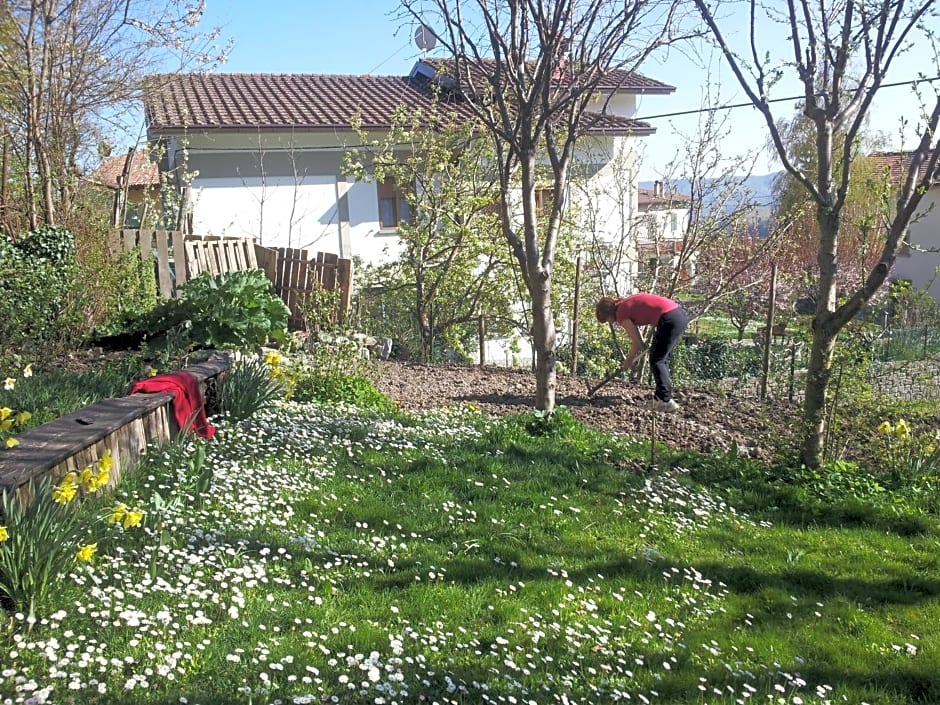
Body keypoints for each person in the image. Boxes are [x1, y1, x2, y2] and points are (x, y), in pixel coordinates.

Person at [595, 293, 688, 413]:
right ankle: (660, 398)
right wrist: (642, 344)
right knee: (660, 359)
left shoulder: (620, 314)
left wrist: (628, 361)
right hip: (677, 314)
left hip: (669, 319)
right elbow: (639, 339)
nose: (611, 322)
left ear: (609, 313)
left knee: (657, 360)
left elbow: (636, 343)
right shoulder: (624, 305)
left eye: (607, 320)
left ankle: (666, 401)